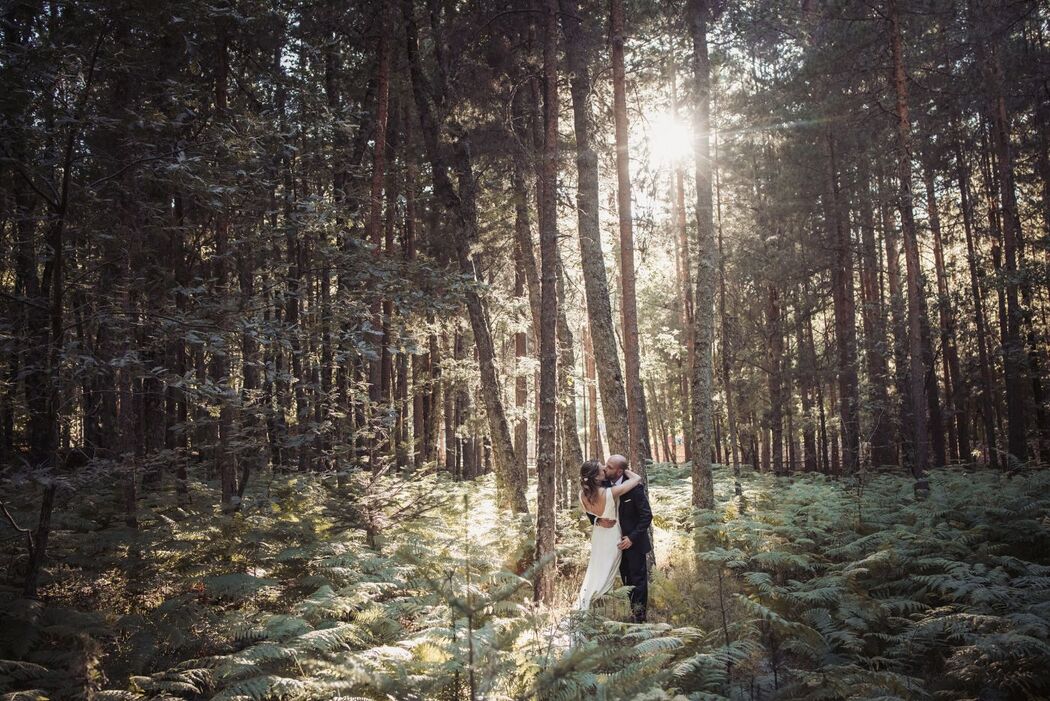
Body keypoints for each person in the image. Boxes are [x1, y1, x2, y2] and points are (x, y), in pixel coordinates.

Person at [573, 460, 642, 612]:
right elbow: (636, 479)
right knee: (604, 574)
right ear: (597, 478)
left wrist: (598, 520)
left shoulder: (582, 495)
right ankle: (591, 609)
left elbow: (593, 514)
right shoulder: (611, 492)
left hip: (598, 536)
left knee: (596, 571)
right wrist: (624, 469)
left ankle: (587, 606)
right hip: (612, 537)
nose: (605, 468)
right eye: (602, 468)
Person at [602, 454, 653, 623]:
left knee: (638, 580)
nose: (604, 468)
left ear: (619, 471)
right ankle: (633, 612)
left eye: (609, 467)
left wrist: (632, 538)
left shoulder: (634, 488)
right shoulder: (604, 484)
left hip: (634, 543)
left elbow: (646, 516)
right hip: (615, 543)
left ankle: (640, 617)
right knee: (626, 580)